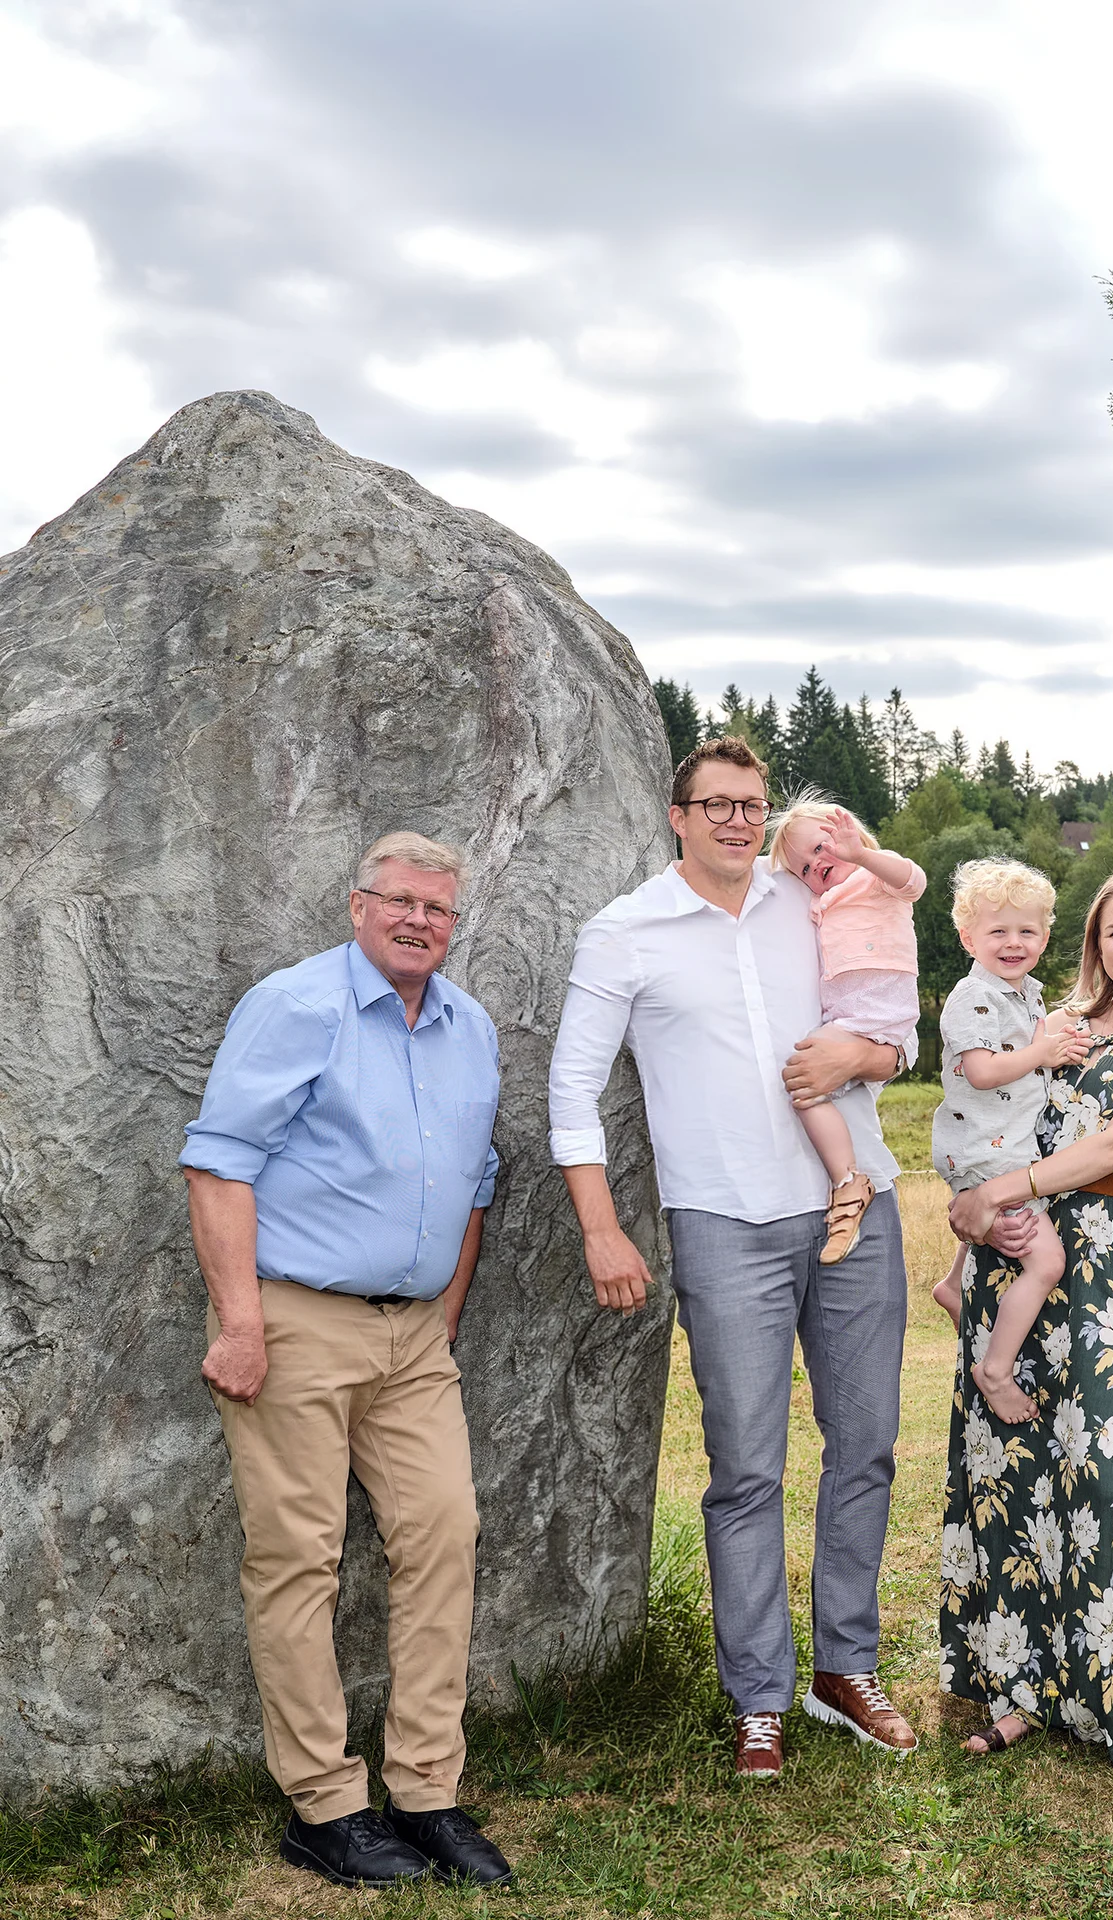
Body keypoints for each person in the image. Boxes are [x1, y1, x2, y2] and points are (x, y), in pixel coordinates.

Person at [547, 737, 918, 1783]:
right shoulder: (626, 932)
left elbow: (895, 1003)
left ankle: (846, 1669)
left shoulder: (815, 895)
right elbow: (572, 1090)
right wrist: (598, 1223)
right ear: (677, 815)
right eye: (714, 804)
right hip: (722, 1221)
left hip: (856, 1204)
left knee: (869, 1446)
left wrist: (876, 1055)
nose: (736, 821)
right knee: (746, 1467)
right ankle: (758, 1694)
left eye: (751, 804)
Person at [180, 832, 513, 1890]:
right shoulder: (296, 1006)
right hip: (297, 1324)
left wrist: (442, 1316)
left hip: (414, 1340)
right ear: (359, 904)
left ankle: (425, 1792)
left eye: (440, 910)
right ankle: (324, 1805)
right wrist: (241, 1323)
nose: (420, 921)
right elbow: (220, 1165)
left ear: (455, 924)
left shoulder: (471, 1029)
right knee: (298, 1559)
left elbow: (475, 1182)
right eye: (401, 902)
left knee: (444, 1537)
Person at [944, 869, 1113, 1784]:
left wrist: (1001, 1191)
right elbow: (983, 1100)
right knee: (1010, 1468)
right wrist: (974, 1207)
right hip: (1012, 1256)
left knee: (1102, 1469)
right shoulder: (1051, 1018)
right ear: (1095, 946)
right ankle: (1022, 1687)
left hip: (1102, 1254)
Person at [928, 859, 1088, 1423]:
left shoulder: (1025, 994)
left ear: (1045, 938)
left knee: (1020, 1247)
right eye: (998, 931)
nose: (1014, 942)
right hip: (987, 1150)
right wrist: (1042, 1053)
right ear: (968, 936)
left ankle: (953, 1283)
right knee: (1045, 1261)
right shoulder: (974, 996)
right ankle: (995, 1370)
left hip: (1001, 1144)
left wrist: (1056, 1042)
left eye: (1027, 931)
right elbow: (981, 1071)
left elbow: (1035, 1050)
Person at [766, 796, 927, 1263]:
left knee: (805, 1073)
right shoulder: (820, 905)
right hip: (847, 1020)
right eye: (803, 867)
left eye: (821, 847)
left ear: (848, 832)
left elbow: (913, 880)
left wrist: (860, 854)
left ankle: (848, 1184)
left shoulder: (876, 879)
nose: (816, 864)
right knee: (810, 1086)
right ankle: (848, 1179)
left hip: (879, 1015)